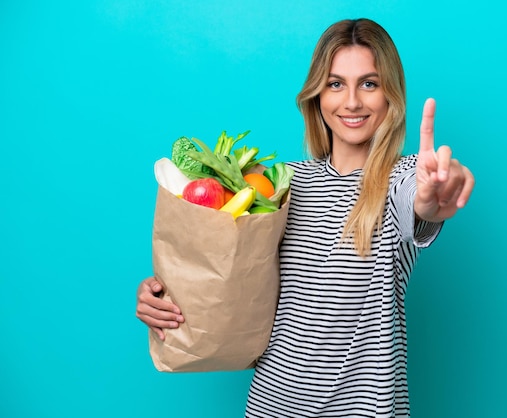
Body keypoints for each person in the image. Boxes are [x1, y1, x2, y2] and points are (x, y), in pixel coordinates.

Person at [136, 18, 474, 417]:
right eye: (335, 84)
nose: (351, 101)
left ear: (390, 97)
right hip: (271, 405)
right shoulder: (282, 185)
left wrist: (436, 193)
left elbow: (420, 202)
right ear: (317, 95)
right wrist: (165, 295)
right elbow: (229, 280)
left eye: (369, 83)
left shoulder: (402, 177)